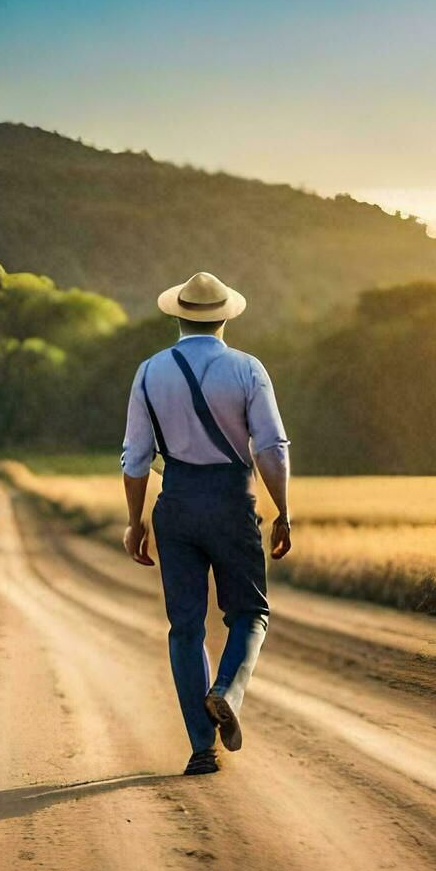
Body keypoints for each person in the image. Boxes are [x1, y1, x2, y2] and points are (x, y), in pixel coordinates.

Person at [120, 272, 292, 776]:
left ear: (177, 315)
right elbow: (270, 447)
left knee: (186, 628)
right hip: (231, 503)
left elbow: (135, 457)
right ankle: (227, 692)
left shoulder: (149, 371)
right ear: (225, 317)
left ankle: (201, 747)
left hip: (175, 505)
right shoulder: (247, 368)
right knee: (249, 614)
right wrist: (282, 510)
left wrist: (136, 522)